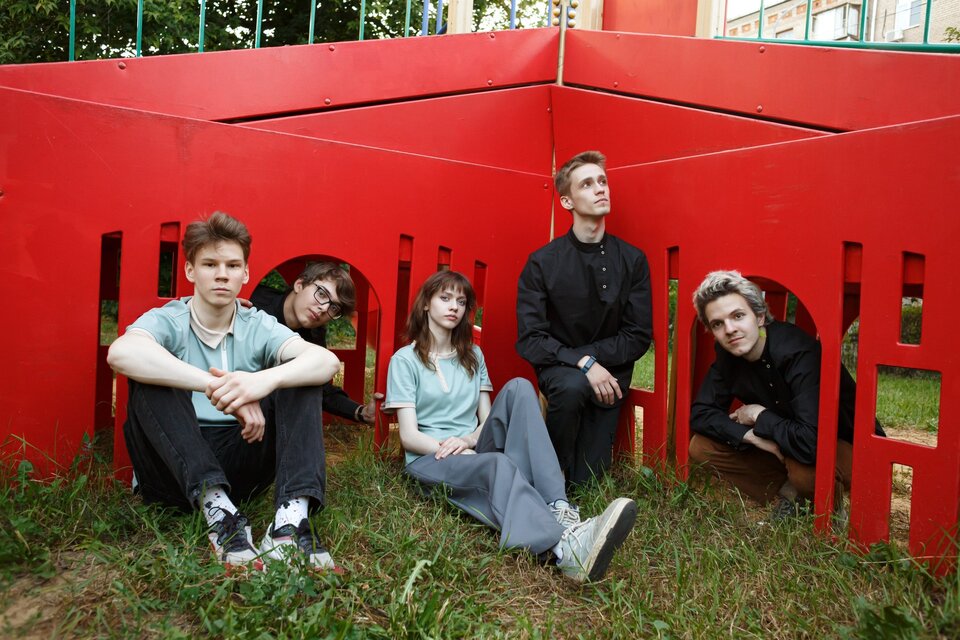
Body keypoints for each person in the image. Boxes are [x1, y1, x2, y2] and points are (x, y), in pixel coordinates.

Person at [108, 211, 342, 572]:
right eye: (210, 264)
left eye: (232, 265)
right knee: (151, 372)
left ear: (245, 274)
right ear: (190, 271)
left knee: (301, 375)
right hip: (169, 470)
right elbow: (121, 353)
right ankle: (219, 513)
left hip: (240, 460)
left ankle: (289, 523)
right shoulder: (169, 319)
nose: (222, 274)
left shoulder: (258, 324)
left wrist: (259, 383)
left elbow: (325, 362)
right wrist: (215, 385)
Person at [384, 271, 638, 582]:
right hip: (431, 458)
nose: (454, 307)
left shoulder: (472, 355)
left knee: (519, 386)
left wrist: (468, 441)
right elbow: (409, 436)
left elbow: (487, 419)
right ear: (426, 304)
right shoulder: (405, 360)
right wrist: (453, 450)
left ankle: (558, 506)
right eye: (445, 298)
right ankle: (564, 549)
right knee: (498, 463)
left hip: (471, 447)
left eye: (461, 302)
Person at [688, 270, 884, 520]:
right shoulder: (729, 355)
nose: (729, 329)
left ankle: (829, 509)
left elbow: (811, 443)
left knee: (804, 470)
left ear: (759, 316)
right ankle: (792, 495)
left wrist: (759, 416)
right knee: (702, 447)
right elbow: (702, 413)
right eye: (717, 323)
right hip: (789, 439)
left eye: (738, 316)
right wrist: (750, 436)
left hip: (847, 446)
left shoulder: (797, 352)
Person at [516, 150, 653, 486]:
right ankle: (550, 481)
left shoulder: (632, 260)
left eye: (602, 181)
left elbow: (637, 335)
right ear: (567, 201)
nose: (600, 188)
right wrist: (582, 363)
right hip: (560, 372)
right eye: (588, 184)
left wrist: (593, 362)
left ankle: (568, 479)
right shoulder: (542, 263)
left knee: (587, 482)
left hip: (610, 377)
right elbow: (531, 338)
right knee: (572, 385)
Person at [250, 262, 382, 425]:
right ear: (299, 285)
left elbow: (322, 390)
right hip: (228, 408)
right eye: (321, 294)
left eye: (334, 308)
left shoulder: (314, 334)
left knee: (308, 374)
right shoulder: (252, 303)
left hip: (264, 421)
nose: (324, 308)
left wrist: (361, 412)